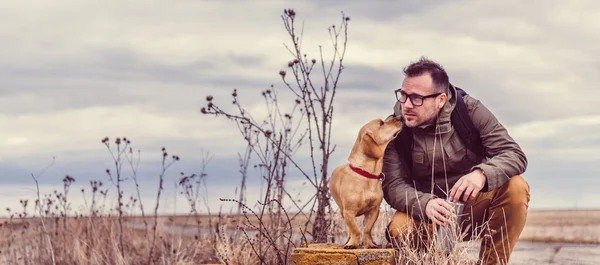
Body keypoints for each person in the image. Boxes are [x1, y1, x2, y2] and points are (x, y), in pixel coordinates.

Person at [382, 57, 530, 265]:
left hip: (470, 208)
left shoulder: (469, 111)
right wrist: (425, 204)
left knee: (516, 187)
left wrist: (482, 174)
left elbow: (514, 153)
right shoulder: (395, 128)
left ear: (441, 99)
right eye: (403, 95)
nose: (406, 105)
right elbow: (392, 185)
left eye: (416, 98)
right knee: (398, 229)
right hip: (426, 215)